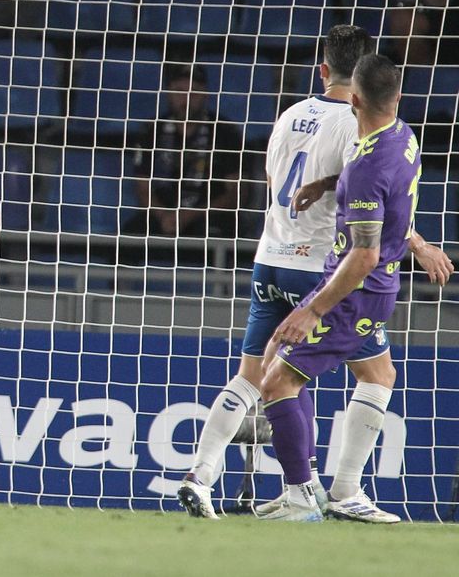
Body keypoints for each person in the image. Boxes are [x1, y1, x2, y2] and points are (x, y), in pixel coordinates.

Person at [177, 27, 453, 522]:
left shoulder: (289, 116)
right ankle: (340, 491)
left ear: (322, 70)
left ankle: (201, 474)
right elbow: (373, 206)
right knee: (375, 373)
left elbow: (273, 179)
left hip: (270, 256)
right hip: (323, 270)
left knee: (254, 374)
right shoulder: (360, 126)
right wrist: (417, 243)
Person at [258, 55, 433, 520]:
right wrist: (325, 182)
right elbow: (382, 193)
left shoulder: (367, 165)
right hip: (377, 288)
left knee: (275, 379)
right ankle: (346, 493)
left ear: (353, 99)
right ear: (397, 97)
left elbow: (364, 254)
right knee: (379, 376)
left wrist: (312, 308)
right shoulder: (402, 136)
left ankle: (300, 496)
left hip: (354, 289)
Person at [127, 64, 246, 241]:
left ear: (205, 94)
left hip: (208, 215)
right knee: (128, 235)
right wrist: (163, 215)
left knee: (220, 233)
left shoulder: (225, 132)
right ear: (168, 93)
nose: (187, 98)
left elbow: (237, 192)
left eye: (194, 91)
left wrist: (189, 215)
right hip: (160, 214)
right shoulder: (151, 130)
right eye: (179, 90)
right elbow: (142, 187)